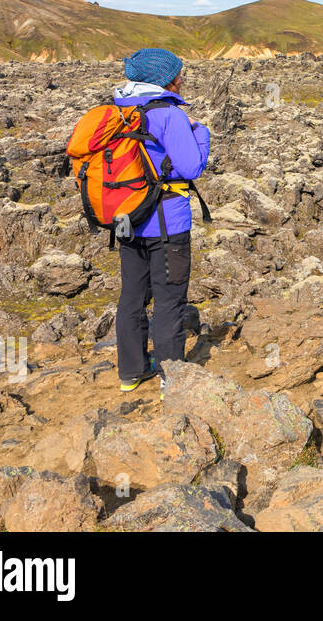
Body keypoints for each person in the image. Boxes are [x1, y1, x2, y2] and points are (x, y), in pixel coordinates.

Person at [113, 48, 211, 394]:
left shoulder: (117, 110)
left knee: (132, 296)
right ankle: (173, 382)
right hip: (167, 223)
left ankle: (131, 373)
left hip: (125, 218)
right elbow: (191, 167)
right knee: (170, 300)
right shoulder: (169, 115)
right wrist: (201, 132)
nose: (182, 79)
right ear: (166, 80)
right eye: (178, 74)